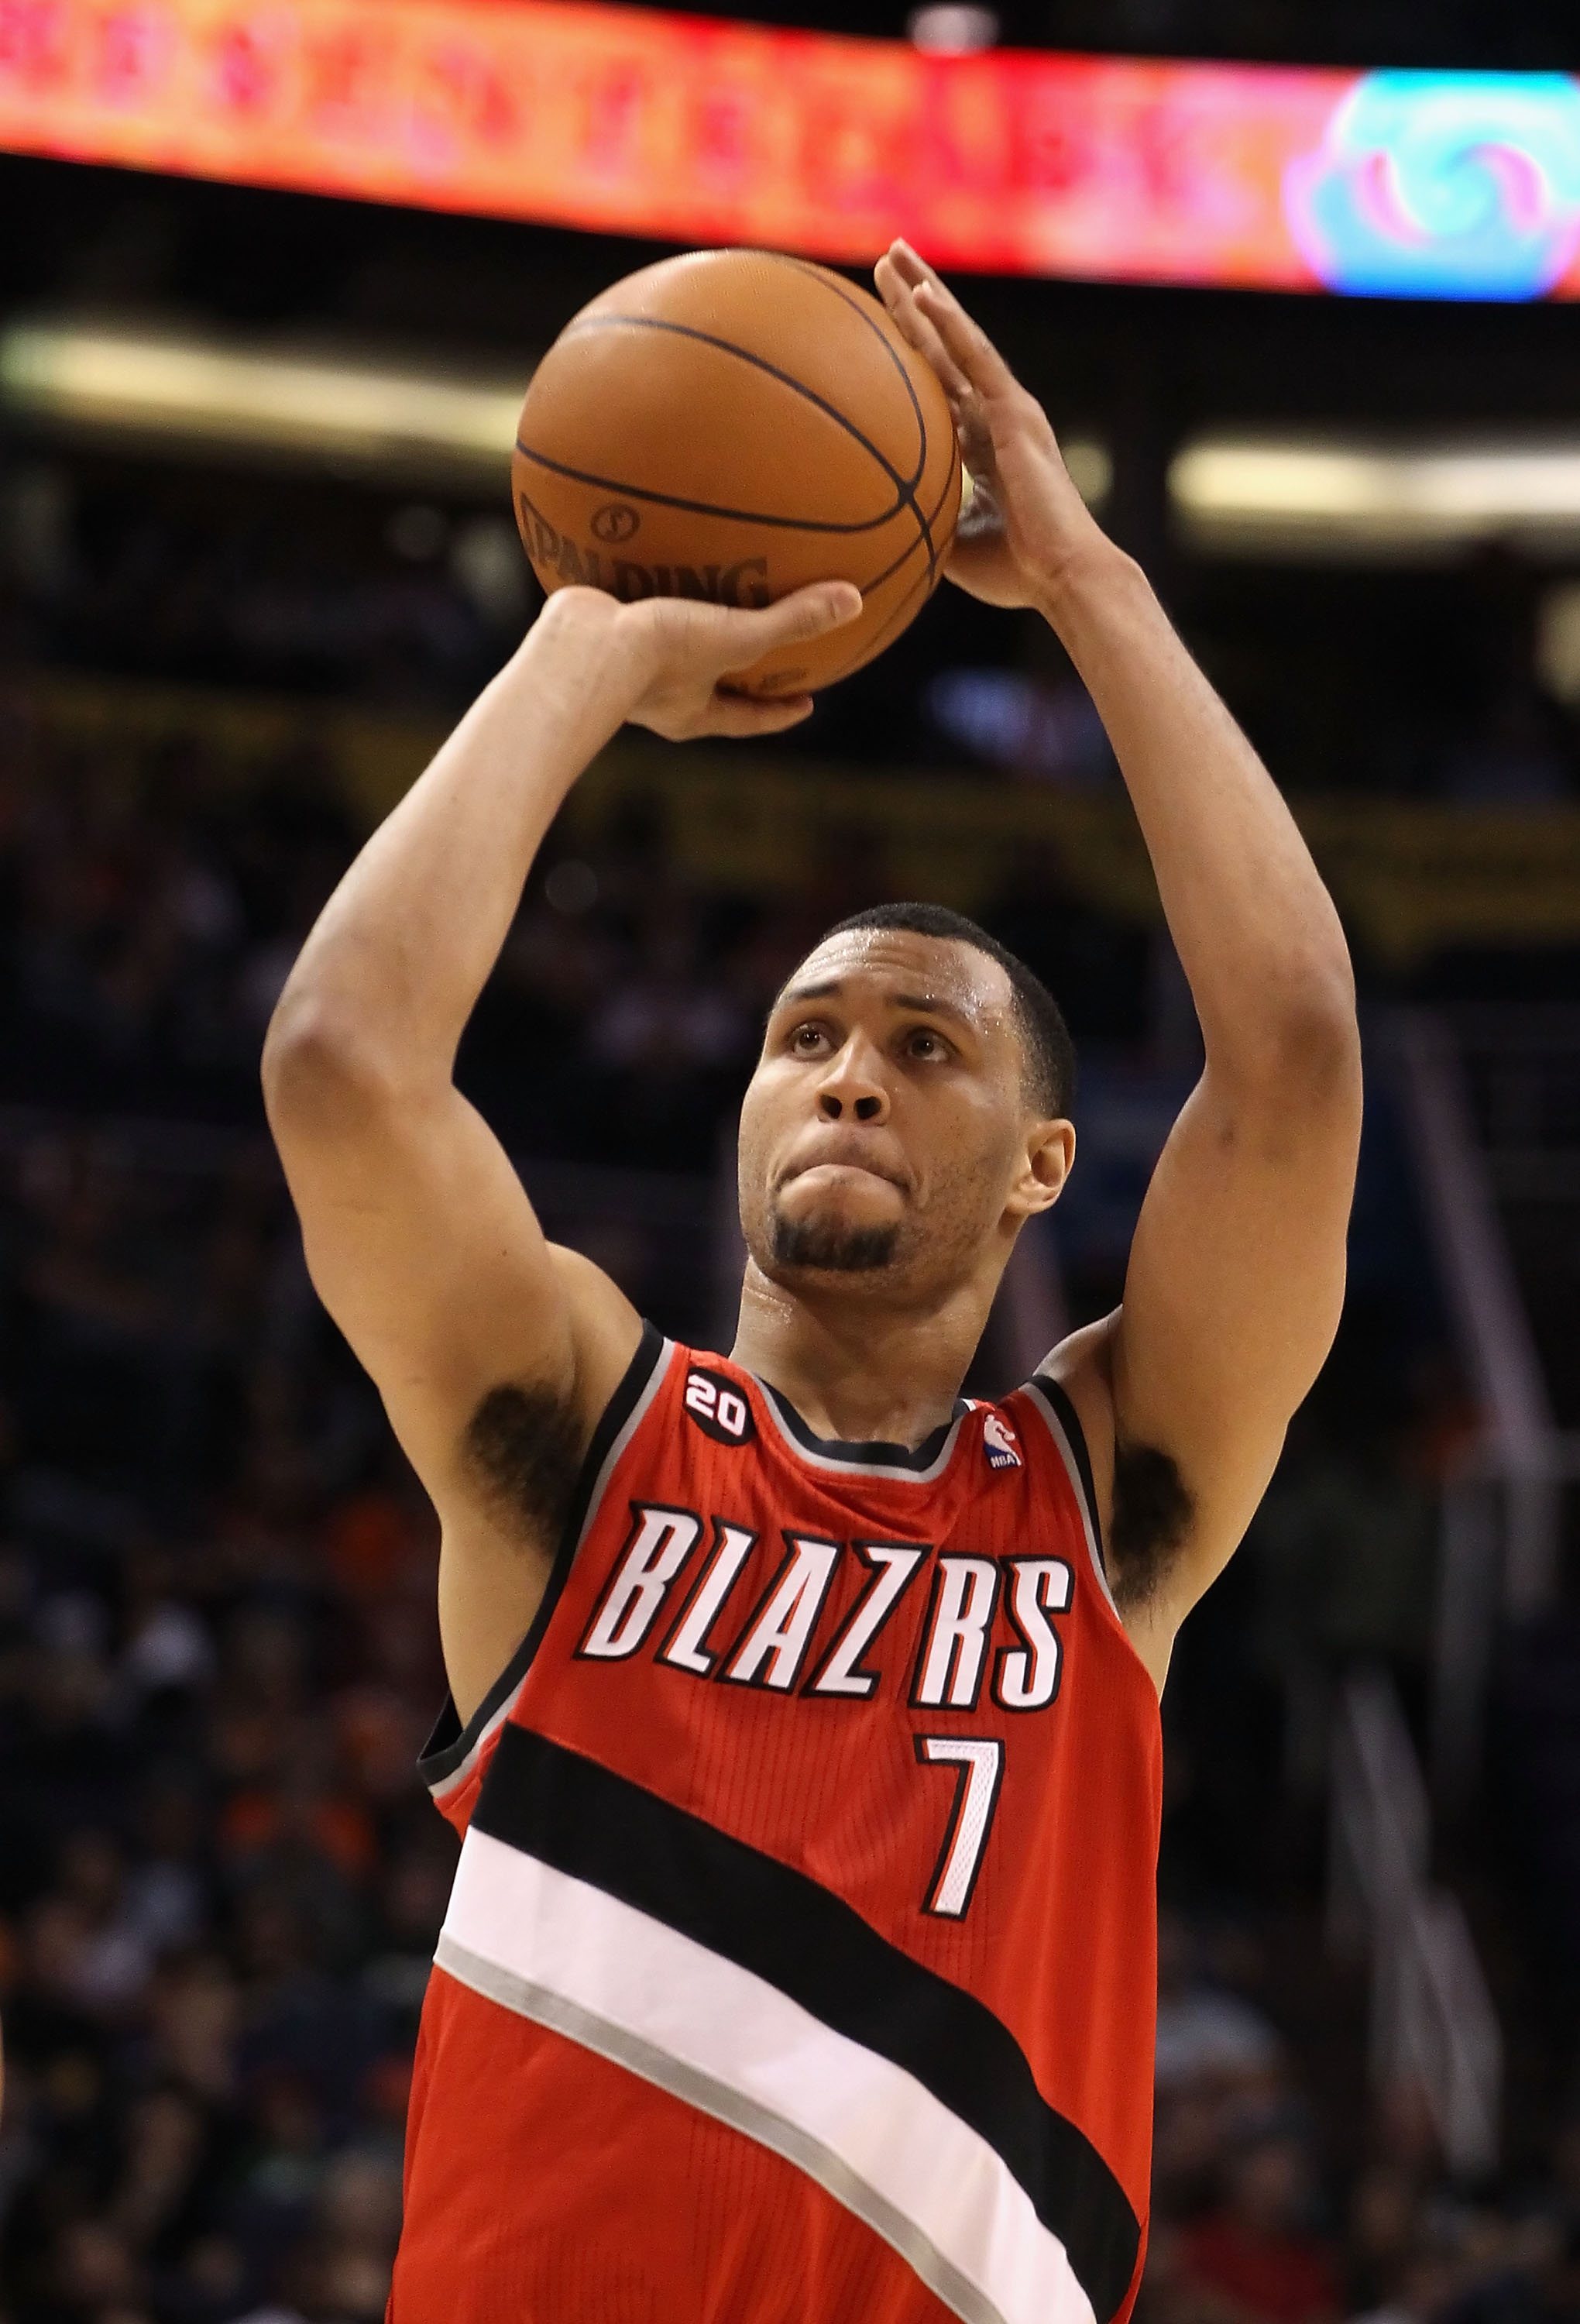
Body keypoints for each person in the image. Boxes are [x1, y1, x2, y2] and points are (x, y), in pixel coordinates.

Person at [262, 242, 1362, 2324]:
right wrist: (585, 651)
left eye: (925, 1047)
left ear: (1051, 1164)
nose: (849, 1070)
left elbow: (1295, 1057)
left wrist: (1096, 587)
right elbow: (340, 1066)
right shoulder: (584, 1435)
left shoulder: (1109, 1503)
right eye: (806, 1037)